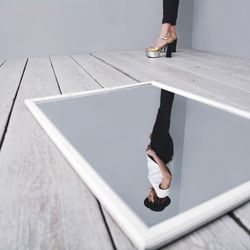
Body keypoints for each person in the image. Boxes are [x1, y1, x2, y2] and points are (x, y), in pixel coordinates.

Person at [144, 89, 175, 212]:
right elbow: (167, 176)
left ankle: (167, 88)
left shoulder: (158, 189)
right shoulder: (162, 194)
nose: (148, 197)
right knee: (163, 113)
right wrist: (154, 154)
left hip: (161, 150)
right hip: (160, 152)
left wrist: (154, 143)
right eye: (149, 200)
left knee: (164, 114)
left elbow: (157, 171)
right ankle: (168, 87)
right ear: (156, 201)